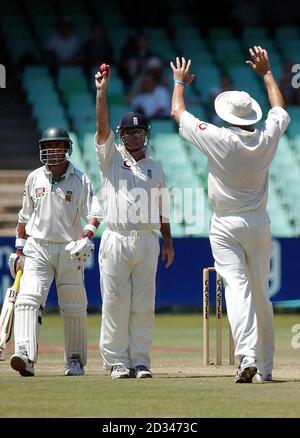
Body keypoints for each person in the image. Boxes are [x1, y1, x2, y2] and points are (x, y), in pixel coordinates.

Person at [170, 47, 290, 383]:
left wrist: (179, 82)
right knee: (260, 294)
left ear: (226, 116)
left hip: (225, 224)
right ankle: (265, 368)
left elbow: (177, 112)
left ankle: (247, 356)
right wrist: (267, 73)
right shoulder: (266, 136)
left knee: (237, 290)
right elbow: (279, 108)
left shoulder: (219, 137)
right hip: (259, 222)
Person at [94, 66, 174, 379]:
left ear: (146, 134)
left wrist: (167, 241)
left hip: (147, 239)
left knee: (143, 303)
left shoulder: (155, 166)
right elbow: (101, 128)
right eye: (129, 132)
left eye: (139, 131)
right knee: (115, 302)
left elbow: (163, 206)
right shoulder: (110, 158)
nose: (135, 135)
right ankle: (116, 361)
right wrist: (101, 92)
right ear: (122, 134)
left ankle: (140, 361)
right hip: (115, 237)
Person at [8, 127, 102, 377]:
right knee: (28, 300)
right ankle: (25, 355)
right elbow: (23, 218)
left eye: (58, 147)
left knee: (73, 305)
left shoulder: (80, 179)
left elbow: (94, 214)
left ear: (67, 149)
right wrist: (19, 251)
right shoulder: (34, 178)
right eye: (48, 147)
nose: (52, 151)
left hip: (70, 248)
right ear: (42, 150)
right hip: (37, 247)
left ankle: (75, 360)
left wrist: (85, 237)